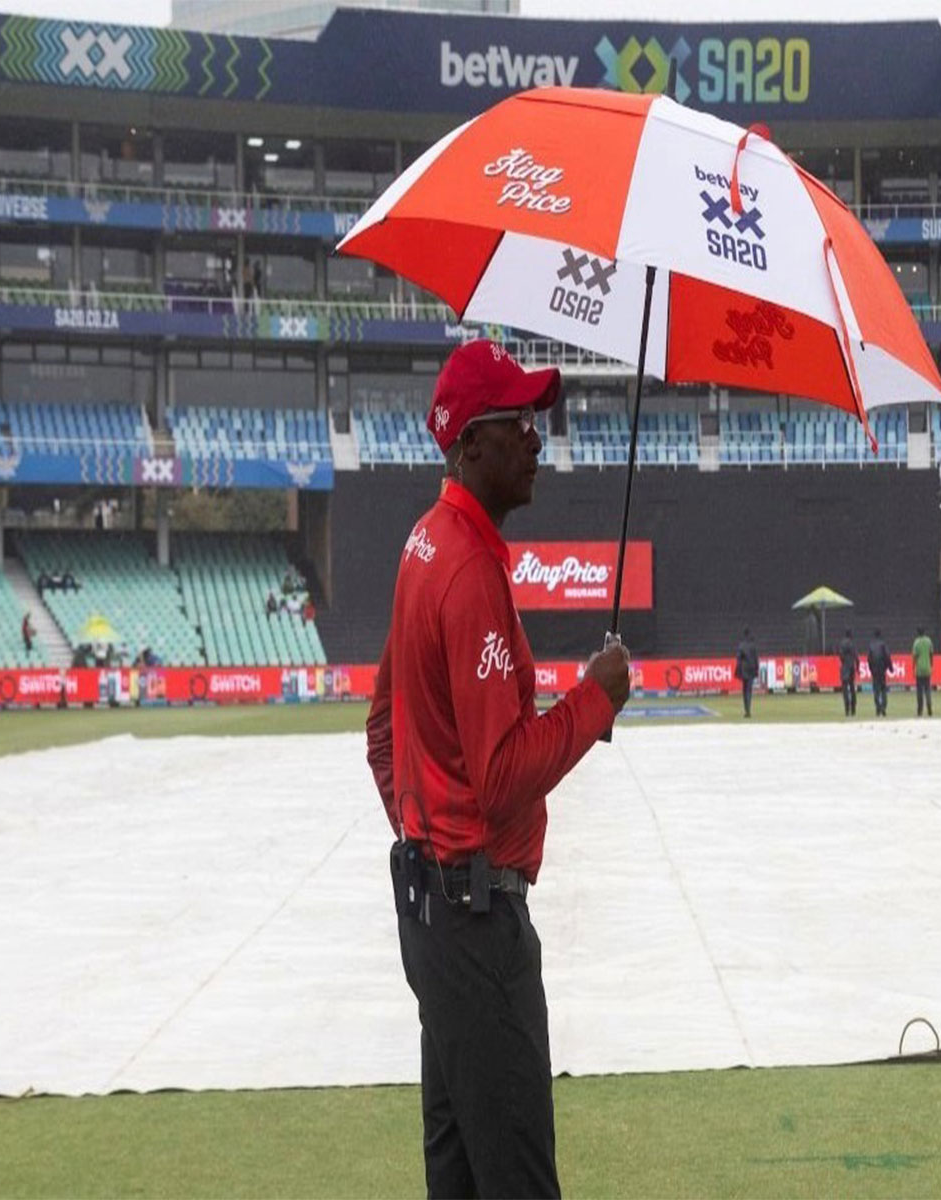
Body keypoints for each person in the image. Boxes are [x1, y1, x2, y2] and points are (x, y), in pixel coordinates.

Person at [365, 339, 630, 1199]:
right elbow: (503, 776)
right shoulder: (471, 570)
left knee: (459, 1178)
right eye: (519, 421)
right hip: (475, 927)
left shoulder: (424, 543)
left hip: (434, 913)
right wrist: (596, 700)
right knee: (516, 1179)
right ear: (471, 442)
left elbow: (381, 730)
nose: (536, 438)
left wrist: (427, 838)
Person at [734, 627, 759, 718]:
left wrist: (738, 670)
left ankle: (746, 710)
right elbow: (756, 659)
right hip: (751, 669)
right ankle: (748, 710)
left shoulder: (741, 645)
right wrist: (756, 669)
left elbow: (738, 658)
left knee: (744, 690)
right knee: (749, 690)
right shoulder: (753, 645)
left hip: (744, 670)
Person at [866, 628, 891, 717]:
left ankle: (878, 708)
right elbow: (887, 657)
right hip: (882, 669)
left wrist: (871, 669)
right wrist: (889, 667)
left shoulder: (871, 645)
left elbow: (869, 659)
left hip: (875, 670)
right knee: (883, 689)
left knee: (876, 690)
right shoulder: (883, 645)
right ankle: (883, 707)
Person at [911, 625, 934, 717]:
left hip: (919, 670)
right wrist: (931, 665)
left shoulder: (916, 642)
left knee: (919, 691)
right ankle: (929, 707)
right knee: (928, 689)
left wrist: (913, 668)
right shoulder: (928, 641)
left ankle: (920, 710)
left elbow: (914, 656)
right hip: (927, 668)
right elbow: (931, 654)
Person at [837, 628, 858, 717]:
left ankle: (847, 709)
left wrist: (844, 662)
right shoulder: (852, 644)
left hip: (844, 667)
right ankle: (853, 708)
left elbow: (840, 655)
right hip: (851, 666)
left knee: (845, 689)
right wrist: (857, 667)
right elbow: (856, 656)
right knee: (852, 687)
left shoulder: (842, 644)